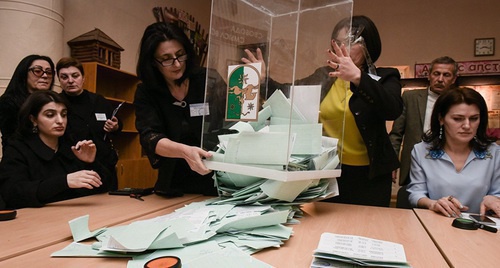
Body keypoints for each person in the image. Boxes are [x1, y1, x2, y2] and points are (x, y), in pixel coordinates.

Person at [243, 15, 403, 207]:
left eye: (352, 42)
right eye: (338, 42)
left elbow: (392, 109)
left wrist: (359, 77)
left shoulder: (385, 76)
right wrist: (263, 80)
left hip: (371, 175)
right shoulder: (324, 75)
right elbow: (290, 95)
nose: (343, 47)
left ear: (368, 45)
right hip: (330, 171)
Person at [134, 22, 226, 197]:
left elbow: (234, 118)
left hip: (218, 178)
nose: (176, 64)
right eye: (167, 58)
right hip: (175, 184)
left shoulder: (208, 80)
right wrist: (185, 152)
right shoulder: (146, 92)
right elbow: (150, 137)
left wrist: (252, 82)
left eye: (180, 55)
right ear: (153, 62)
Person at [0, 90, 111, 209]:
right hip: (34, 221)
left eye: (64, 114)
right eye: (50, 115)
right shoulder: (17, 149)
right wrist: (65, 181)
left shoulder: (72, 146)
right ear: (33, 119)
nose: (60, 121)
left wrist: (91, 163)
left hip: (74, 215)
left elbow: (103, 189)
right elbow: (13, 194)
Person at [407, 87, 500, 217]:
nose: (467, 125)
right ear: (441, 119)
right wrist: (433, 204)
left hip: (480, 227)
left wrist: (493, 199)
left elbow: (497, 193)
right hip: (437, 223)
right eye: (458, 119)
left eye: (474, 118)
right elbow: (416, 194)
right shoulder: (422, 151)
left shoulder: (494, 152)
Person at [389, 56, 458, 208]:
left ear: (454, 79)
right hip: (413, 166)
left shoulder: (459, 102)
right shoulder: (410, 97)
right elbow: (396, 134)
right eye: (436, 74)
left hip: (447, 169)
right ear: (429, 75)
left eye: (446, 75)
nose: (440, 79)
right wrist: (391, 163)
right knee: (407, 213)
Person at [56, 57, 121, 190]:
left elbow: (118, 124)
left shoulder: (98, 100)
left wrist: (115, 126)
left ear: (83, 78)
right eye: (64, 77)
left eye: (75, 76)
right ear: (59, 80)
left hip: (104, 166)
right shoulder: (56, 103)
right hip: (73, 169)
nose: (70, 81)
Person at [0, 55, 55, 153]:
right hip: (19, 159)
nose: (45, 76)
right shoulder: (8, 101)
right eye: (38, 71)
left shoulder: (54, 100)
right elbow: (11, 138)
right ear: (24, 73)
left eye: (49, 72)